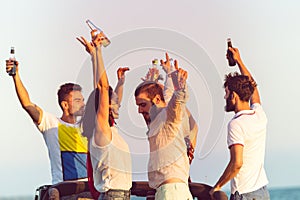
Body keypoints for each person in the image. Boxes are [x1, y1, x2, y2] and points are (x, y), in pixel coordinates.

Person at [6, 61, 90, 199]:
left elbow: (107, 101)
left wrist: (120, 84)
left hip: (89, 190)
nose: (83, 104)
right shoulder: (50, 122)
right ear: (65, 105)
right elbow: (27, 104)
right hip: (65, 191)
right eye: (77, 100)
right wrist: (15, 76)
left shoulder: (87, 126)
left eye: (82, 100)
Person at [209, 47, 270, 200]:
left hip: (245, 194)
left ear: (234, 96)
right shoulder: (259, 115)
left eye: (227, 93)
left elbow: (237, 163)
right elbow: (254, 89)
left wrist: (217, 186)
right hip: (262, 192)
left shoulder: (236, 124)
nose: (224, 97)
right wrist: (238, 61)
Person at [78, 31, 132, 200]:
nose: (116, 102)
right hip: (113, 196)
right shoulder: (101, 130)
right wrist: (98, 52)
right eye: (112, 100)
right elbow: (101, 88)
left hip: (118, 195)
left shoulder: (108, 130)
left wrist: (94, 56)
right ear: (105, 105)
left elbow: (100, 90)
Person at [134, 55, 193, 200]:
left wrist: (178, 83)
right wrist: (167, 73)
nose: (139, 111)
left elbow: (178, 98)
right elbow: (167, 92)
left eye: (142, 105)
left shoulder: (169, 116)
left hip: (172, 192)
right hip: (170, 191)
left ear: (157, 100)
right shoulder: (154, 121)